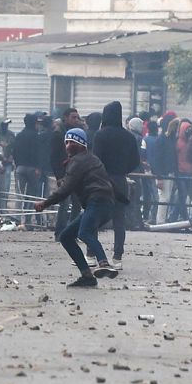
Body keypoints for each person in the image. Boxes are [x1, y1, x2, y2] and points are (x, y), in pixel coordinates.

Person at [34, 128, 119, 287]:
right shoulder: (92, 159)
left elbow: (65, 190)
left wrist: (44, 204)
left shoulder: (78, 161)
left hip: (97, 201)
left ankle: (104, 263)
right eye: (66, 142)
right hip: (103, 203)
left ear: (81, 144)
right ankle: (87, 276)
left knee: (85, 232)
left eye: (71, 142)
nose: (67, 146)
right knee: (66, 237)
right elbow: (106, 181)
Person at [92, 101, 140, 269]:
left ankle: (92, 255)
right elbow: (135, 161)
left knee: (95, 217)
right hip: (120, 180)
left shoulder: (100, 135)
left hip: (101, 180)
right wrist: (122, 169)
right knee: (119, 219)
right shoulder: (129, 136)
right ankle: (117, 257)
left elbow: (95, 159)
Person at [51, 108, 85, 241]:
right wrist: (59, 176)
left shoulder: (79, 135)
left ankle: (71, 233)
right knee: (64, 205)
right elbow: (54, 157)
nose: (76, 120)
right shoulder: (59, 134)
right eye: (73, 117)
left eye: (77, 117)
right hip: (65, 175)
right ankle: (59, 233)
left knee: (77, 204)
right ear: (65, 118)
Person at [13, 113, 43, 225]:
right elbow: (38, 153)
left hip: (20, 168)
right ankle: (28, 220)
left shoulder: (19, 135)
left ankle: (18, 219)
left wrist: (17, 164)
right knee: (31, 196)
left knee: (20, 195)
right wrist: (38, 167)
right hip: (32, 169)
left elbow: (14, 151)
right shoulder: (36, 136)